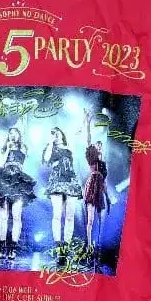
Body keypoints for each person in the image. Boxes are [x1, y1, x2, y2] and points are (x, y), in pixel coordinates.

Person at [0, 127, 36, 260]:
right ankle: (3, 246)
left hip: (18, 181)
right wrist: (7, 148)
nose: (12, 135)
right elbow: (1, 164)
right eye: (10, 133)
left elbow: (23, 157)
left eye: (15, 133)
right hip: (5, 180)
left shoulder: (23, 147)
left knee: (16, 216)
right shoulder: (3, 149)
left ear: (19, 135)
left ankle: (13, 247)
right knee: (3, 216)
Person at [42, 126, 83, 256]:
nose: (56, 134)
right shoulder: (50, 147)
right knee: (57, 214)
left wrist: (83, 126)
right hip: (57, 180)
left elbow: (76, 137)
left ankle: (66, 246)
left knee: (70, 215)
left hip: (70, 180)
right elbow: (46, 159)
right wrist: (50, 142)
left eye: (57, 132)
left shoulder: (69, 147)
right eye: (53, 133)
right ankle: (58, 246)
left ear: (61, 133)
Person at [82, 110, 110, 257]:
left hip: (100, 189)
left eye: (100, 146)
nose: (99, 147)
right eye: (97, 145)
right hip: (92, 185)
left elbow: (104, 182)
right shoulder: (92, 158)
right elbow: (88, 140)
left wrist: (108, 197)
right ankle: (88, 245)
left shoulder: (104, 165)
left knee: (100, 220)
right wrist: (87, 124)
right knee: (91, 219)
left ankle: (98, 245)